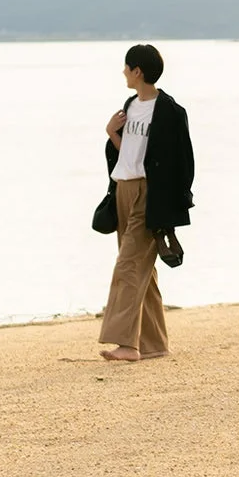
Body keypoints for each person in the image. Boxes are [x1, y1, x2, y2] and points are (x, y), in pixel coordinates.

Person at [98, 44, 194, 361]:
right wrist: (112, 133)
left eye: (127, 67)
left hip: (149, 197)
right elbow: (129, 154)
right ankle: (154, 344)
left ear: (137, 71)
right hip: (123, 190)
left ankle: (127, 344)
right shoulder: (130, 106)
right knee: (142, 270)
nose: (124, 72)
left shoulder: (170, 112)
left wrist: (177, 206)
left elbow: (184, 163)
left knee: (128, 266)